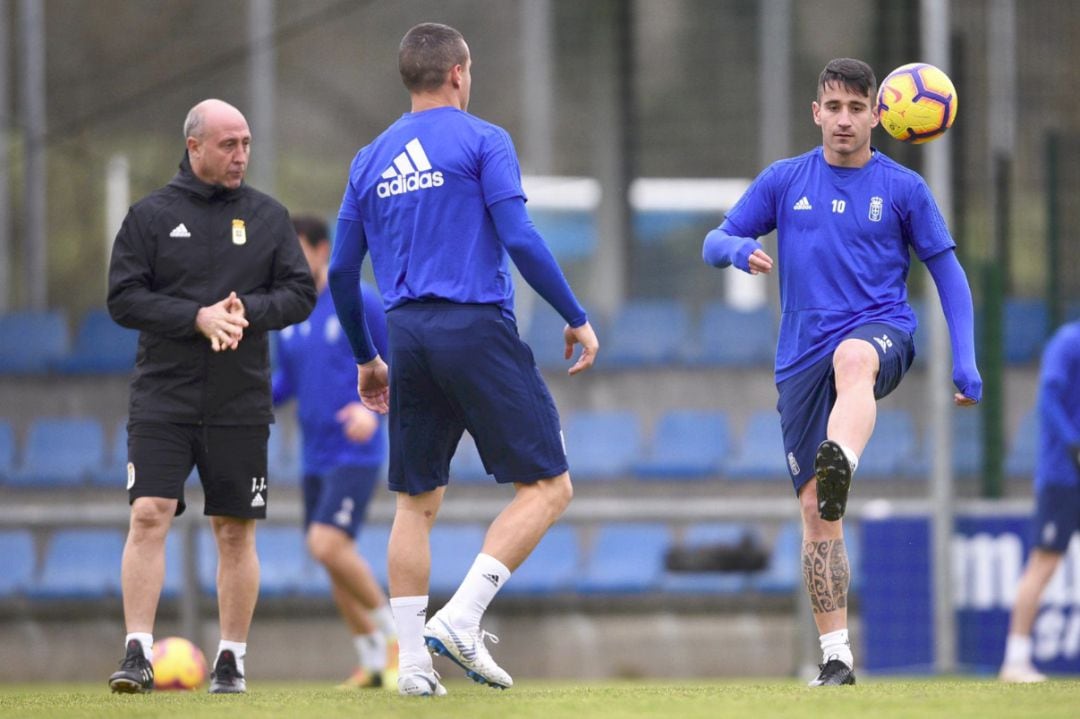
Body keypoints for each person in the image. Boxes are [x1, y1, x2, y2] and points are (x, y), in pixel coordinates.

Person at [328, 22, 599, 697]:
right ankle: (462, 617)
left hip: (405, 334)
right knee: (549, 486)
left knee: (415, 503)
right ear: (458, 73)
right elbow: (521, 238)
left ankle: (414, 667)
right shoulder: (484, 140)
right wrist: (576, 314)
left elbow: (338, 271)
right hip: (473, 324)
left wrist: (367, 356)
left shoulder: (369, 158)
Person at [702, 58, 981, 686]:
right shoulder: (784, 180)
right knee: (815, 514)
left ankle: (841, 459)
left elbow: (949, 274)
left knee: (853, 358)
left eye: (858, 109)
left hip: (880, 330)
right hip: (799, 354)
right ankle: (837, 658)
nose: (845, 120)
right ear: (816, 113)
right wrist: (736, 250)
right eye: (834, 108)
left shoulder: (904, 189)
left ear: (879, 115)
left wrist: (963, 358)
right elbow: (714, 239)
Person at [106, 99, 316, 694]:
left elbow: (300, 294)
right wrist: (193, 318)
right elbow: (123, 299)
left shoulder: (269, 217)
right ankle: (137, 652)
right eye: (229, 144)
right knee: (149, 514)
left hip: (239, 400)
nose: (241, 155)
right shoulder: (148, 217)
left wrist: (249, 308)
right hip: (163, 397)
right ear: (194, 146)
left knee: (233, 529)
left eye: (246, 143)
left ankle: (231, 659)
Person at [271, 215, 398, 689]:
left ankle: (396, 638)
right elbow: (285, 382)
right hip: (314, 455)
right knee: (328, 555)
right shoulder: (288, 313)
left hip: (354, 451)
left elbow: (398, 360)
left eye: (298, 249)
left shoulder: (358, 300)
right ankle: (371, 660)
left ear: (322, 251)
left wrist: (375, 413)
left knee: (326, 544)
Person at [999, 320, 1080, 683]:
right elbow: (1048, 397)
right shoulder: (1068, 341)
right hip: (1063, 477)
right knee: (1043, 563)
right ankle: (1015, 661)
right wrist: (1074, 444)